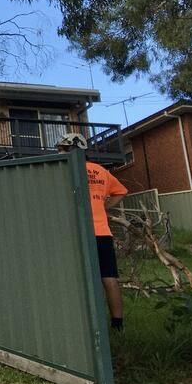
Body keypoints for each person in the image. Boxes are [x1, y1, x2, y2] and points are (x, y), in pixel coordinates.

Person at [57, 133, 128, 331]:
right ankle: (117, 324)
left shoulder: (65, 169)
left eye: (61, 149)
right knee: (109, 278)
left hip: (77, 231)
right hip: (102, 232)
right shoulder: (100, 171)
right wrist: (104, 207)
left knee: (77, 277)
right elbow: (121, 191)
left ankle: (81, 323)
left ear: (71, 149)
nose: (59, 153)